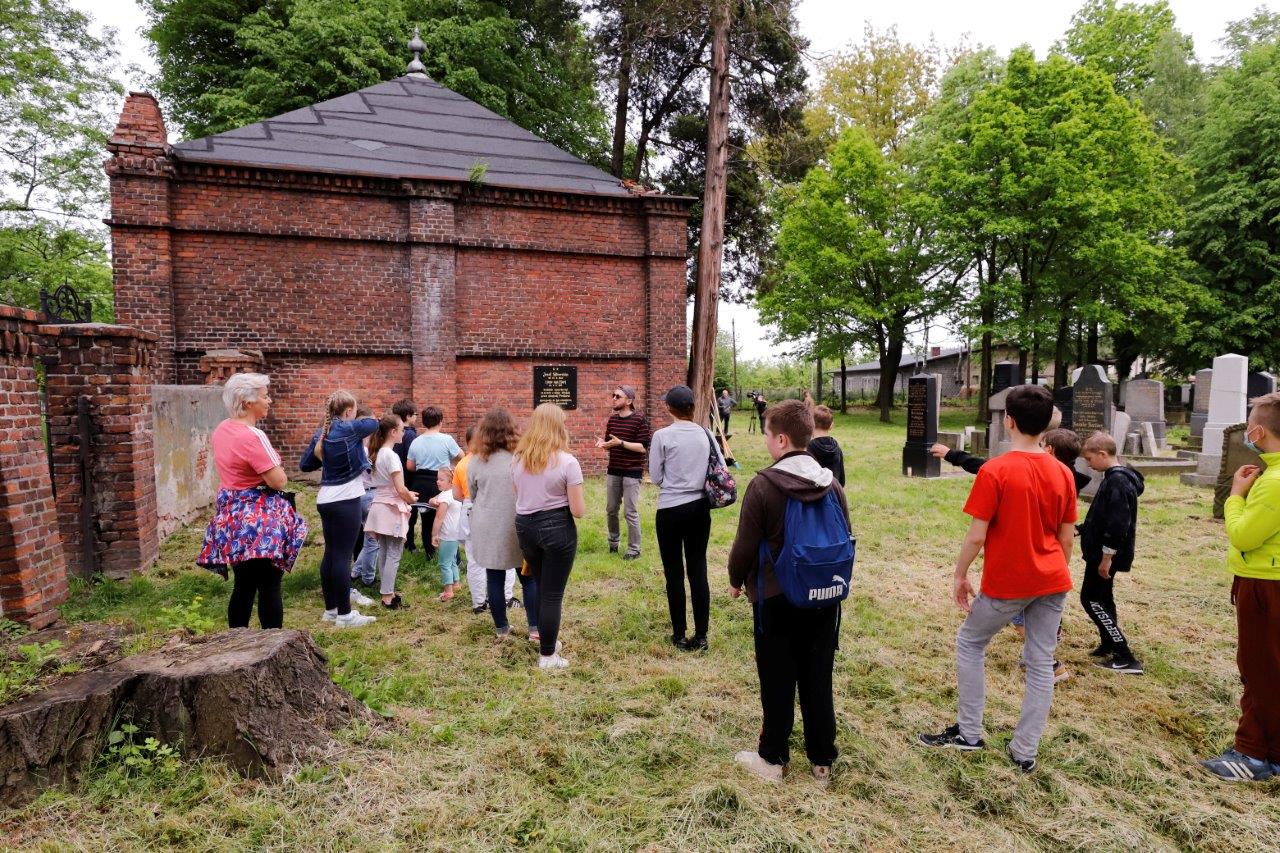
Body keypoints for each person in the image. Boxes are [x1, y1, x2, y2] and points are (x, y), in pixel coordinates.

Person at [918, 385, 1077, 774]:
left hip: (1010, 581)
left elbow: (977, 534)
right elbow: (1066, 536)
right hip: (1053, 580)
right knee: (1040, 664)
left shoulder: (997, 469)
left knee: (970, 643)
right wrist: (1055, 572)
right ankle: (1025, 751)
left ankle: (969, 734)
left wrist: (960, 574)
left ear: (1009, 420)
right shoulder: (1063, 472)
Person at [727, 400, 851, 788]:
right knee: (818, 676)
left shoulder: (764, 485)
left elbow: (745, 545)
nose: (766, 441)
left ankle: (773, 758)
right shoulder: (831, 483)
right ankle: (821, 762)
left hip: (776, 595)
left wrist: (734, 580)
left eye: (766, 434)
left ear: (781, 439)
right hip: (825, 594)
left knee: (777, 677)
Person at [1200, 391, 1280, 783]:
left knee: (1259, 669)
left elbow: (1245, 536)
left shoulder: (1274, 482)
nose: (1247, 430)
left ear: (1260, 431)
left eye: (1250, 423)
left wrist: (1235, 497)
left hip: (1266, 585)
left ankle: (1252, 754)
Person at [198, 373, 308, 629]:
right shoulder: (253, 436)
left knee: (243, 585)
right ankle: (272, 646)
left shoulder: (223, 429)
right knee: (270, 585)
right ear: (248, 402)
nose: (269, 400)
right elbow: (279, 481)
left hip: (233, 517)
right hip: (259, 520)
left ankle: (238, 644)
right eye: (264, 396)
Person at [650, 385, 725, 651]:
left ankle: (679, 634)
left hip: (670, 507)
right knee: (698, 569)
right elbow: (721, 467)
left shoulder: (662, 436)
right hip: (699, 507)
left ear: (669, 408)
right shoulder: (706, 433)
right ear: (692, 407)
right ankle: (702, 635)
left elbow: (656, 477)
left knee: (674, 573)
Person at [513, 403, 586, 670]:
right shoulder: (567, 462)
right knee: (553, 594)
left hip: (525, 527)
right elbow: (578, 511)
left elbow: (518, 495)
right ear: (559, 426)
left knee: (543, 587)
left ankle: (550, 643)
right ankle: (547, 656)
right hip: (557, 527)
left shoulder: (518, 459)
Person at [300, 390, 380, 627]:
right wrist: (352, 422)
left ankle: (331, 610)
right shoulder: (348, 428)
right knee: (343, 557)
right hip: (346, 499)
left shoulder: (321, 434)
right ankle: (345, 615)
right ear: (347, 411)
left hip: (326, 498)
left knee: (331, 555)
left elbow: (305, 465)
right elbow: (373, 423)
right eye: (354, 410)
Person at [468, 408, 540, 640]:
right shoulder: (523, 458)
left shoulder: (477, 461)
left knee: (495, 578)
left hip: (488, 525)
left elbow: (473, 494)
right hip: (519, 524)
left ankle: (502, 630)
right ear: (513, 430)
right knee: (528, 577)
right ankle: (535, 629)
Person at [1077, 431, 1145, 675]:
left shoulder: (1117, 481)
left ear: (1103, 454)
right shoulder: (1114, 477)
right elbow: (1101, 517)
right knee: (1103, 598)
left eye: (1089, 459)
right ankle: (1108, 643)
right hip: (1102, 551)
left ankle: (1124, 655)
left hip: (1105, 555)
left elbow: (1118, 524)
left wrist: (1107, 557)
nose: (1088, 463)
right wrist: (1080, 530)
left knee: (1091, 599)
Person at [364, 415, 418, 609]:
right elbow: (400, 489)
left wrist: (405, 493)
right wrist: (410, 497)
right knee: (393, 553)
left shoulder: (377, 452)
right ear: (393, 432)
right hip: (391, 507)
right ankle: (388, 596)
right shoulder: (391, 455)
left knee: (385, 551)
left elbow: (390, 486)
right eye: (402, 429)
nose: (404, 432)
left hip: (380, 504)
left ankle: (388, 591)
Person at [595, 384, 651, 560]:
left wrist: (621, 443)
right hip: (614, 470)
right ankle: (613, 543)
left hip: (632, 472)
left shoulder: (640, 420)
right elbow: (609, 443)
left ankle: (634, 549)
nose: (613, 398)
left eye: (617, 396)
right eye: (613, 395)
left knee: (630, 511)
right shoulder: (612, 420)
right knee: (611, 509)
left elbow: (642, 448)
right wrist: (603, 445)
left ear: (629, 400)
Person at [405, 405, 463, 558]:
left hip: (421, 483)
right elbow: (461, 457)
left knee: (426, 519)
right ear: (440, 421)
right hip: (440, 482)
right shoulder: (447, 439)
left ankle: (430, 553)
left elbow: (410, 466)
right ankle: (452, 556)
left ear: (423, 422)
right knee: (447, 519)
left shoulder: (416, 441)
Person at [351, 407, 380, 589]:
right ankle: (368, 579)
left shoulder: (354, 445)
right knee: (373, 540)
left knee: (368, 537)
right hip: (368, 493)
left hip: (358, 494)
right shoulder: (363, 448)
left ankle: (355, 571)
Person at [430, 467, 463, 601]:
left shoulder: (444, 497)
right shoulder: (453, 493)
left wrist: (434, 535)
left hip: (447, 535)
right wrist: (432, 501)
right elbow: (432, 500)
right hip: (456, 533)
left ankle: (448, 591)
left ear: (450, 481)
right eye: (437, 479)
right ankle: (456, 583)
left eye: (441, 480)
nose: (438, 482)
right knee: (453, 560)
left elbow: (439, 518)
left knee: (444, 563)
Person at [391, 399, 419, 550]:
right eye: (415, 414)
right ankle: (409, 544)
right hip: (408, 478)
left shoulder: (393, 433)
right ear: (408, 416)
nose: (416, 417)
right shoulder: (410, 436)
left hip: (396, 478)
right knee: (410, 513)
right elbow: (412, 459)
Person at [807, 405, 845, 486]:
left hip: (814, 496)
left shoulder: (808, 448)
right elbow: (841, 481)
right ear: (831, 425)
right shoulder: (836, 447)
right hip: (833, 494)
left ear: (811, 424)